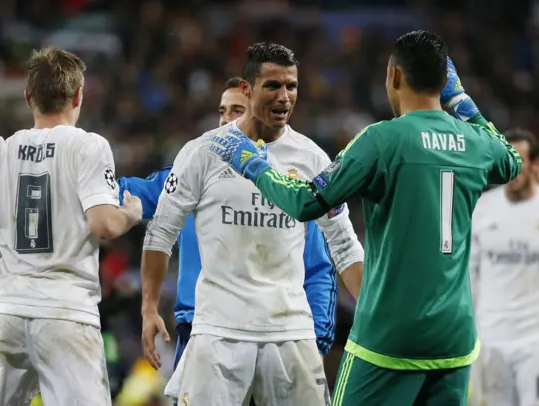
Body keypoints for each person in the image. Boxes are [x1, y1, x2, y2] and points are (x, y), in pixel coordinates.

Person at [210, 30, 522, 405]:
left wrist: (253, 163)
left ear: (394, 76)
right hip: (454, 336)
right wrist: (461, 101)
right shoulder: (476, 143)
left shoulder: (381, 140)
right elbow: (511, 162)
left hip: (390, 336)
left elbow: (307, 203)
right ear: (445, 82)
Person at [141, 42, 365, 406]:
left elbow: (343, 244)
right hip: (219, 331)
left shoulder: (312, 159)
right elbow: (160, 232)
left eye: (291, 86)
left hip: (290, 329)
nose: (284, 96)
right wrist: (149, 308)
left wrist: (372, 307)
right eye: (273, 86)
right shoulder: (204, 152)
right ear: (247, 89)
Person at [0, 47, 142, 405]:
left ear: (28, 97)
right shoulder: (89, 146)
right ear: (78, 95)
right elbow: (103, 226)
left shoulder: (0, 150)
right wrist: (131, 212)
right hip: (65, 312)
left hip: (8, 311)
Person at [118, 76, 339, 377]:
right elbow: (125, 191)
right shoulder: (192, 173)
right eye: (222, 111)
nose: (225, 121)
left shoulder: (296, 190)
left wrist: (316, 339)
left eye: (236, 111)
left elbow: (317, 270)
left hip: (274, 337)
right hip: (203, 330)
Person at [470, 128, 539, 406]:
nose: (512, 167)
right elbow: (469, 278)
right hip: (490, 339)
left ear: (536, 164)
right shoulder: (481, 210)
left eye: (520, 160)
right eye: (507, 159)